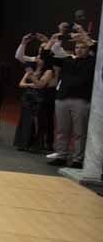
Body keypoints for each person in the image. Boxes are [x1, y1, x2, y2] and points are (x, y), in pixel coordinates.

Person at [48, 40, 95, 168]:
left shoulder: (92, 62)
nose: (79, 50)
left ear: (89, 49)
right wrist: (52, 41)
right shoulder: (68, 60)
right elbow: (48, 58)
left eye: (83, 47)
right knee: (62, 130)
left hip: (81, 100)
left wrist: (86, 37)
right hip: (62, 98)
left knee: (80, 132)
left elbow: (96, 50)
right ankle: (61, 156)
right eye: (77, 47)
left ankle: (77, 159)